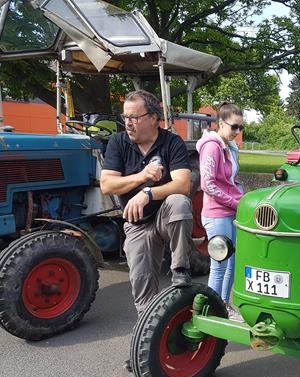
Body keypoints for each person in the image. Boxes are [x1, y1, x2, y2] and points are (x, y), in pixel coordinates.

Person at [100, 90, 193, 317]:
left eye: (134, 117)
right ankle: (154, 337)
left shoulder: (172, 142)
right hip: (137, 223)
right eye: (125, 117)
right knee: (142, 294)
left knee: (179, 202)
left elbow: (183, 185)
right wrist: (142, 177)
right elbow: (107, 185)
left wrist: (149, 193)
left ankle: (180, 267)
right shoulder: (118, 142)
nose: (128, 123)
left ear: (153, 118)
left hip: (164, 217)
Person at [196, 103, 244, 318]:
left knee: (232, 261)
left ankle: (223, 305)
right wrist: (236, 203)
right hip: (217, 214)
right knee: (220, 264)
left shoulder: (230, 147)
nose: (237, 132)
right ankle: (210, 312)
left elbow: (231, 181)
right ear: (221, 123)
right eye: (234, 127)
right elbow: (208, 184)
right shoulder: (212, 146)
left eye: (240, 128)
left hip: (231, 212)